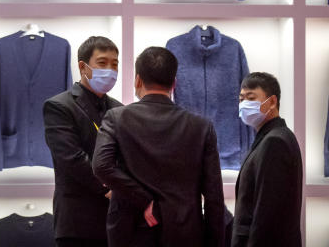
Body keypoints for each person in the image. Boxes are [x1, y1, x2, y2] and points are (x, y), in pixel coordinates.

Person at [92, 46, 224, 247]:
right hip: (186, 232)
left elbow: (101, 166)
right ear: (174, 83)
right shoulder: (201, 127)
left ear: (138, 80)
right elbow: (214, 196)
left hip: (130, 231)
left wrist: (145, 199)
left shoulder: (117, 118)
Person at [44, 36, 124, 247]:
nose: (110, 69)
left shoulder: (120, 109)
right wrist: (110, 189)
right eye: (102, 63)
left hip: (116, 220)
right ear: (83, 66)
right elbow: (71, 159)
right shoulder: (59, 106)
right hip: (78, 222)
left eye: (115, 64)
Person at [231, 72, 302, 247]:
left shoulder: (274, 142)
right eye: (241, 99)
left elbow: (266, 213)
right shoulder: (269, 137)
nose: (244, 104)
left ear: (271, 102)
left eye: (251, 98)